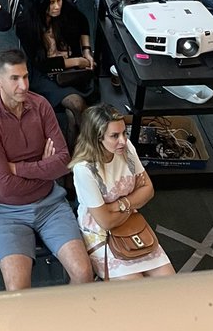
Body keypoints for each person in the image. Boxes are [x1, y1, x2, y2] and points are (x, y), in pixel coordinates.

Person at [0, 49, 92, 292]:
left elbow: (62, 162)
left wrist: (17, 168)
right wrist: (43, 168)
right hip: (7, 212)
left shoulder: (41, 105)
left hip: (50, 203)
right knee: (18, 291)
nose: (23, 85)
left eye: (26, 77)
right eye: (15, 79)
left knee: (84, 275)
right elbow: (5, 187)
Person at [70, 105, 174, 280]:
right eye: (114, 136)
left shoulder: (125, 149)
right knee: (135, 291)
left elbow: (148, 189)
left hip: (129, 221)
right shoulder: (85, 169)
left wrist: (120, 204)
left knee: (171, 283)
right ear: (97, 138)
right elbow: (105, 222)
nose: (123, 141)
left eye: (124, 133)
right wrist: (134, 200)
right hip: (99, 232)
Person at [15, 0, 96, 140]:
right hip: (45, 74)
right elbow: (42, 64)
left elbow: (83, 22)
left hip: (71, 69)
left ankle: (75, 152)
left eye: (59, 0)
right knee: (77, 104)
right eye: (51, 3)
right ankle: (89, 147)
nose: (57, 6)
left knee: (73, 117)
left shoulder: (65, 9)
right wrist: (78, 61)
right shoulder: (25, 24)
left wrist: (87, 51)